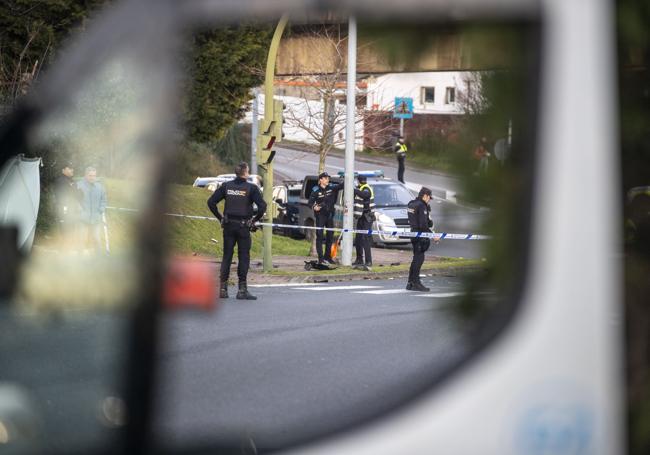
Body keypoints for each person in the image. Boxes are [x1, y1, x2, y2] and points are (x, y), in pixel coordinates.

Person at [208, 162, 266, 300]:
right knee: (243, 257)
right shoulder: (251, 188)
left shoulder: (227, 186)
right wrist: (254, 220)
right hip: (243, 227)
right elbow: (262, 206)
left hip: (228, 225)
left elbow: (211, 202)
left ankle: (223, 289)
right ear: (245, 173)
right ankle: (242, 290)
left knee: (227, 256)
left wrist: (220, 218)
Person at [308, 171, 343, 264]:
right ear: (321, 180)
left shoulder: (331, 187)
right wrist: (314, 207)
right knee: (319, 236)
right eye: (326, 178)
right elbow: (310, 203)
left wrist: (346, 178)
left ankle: (328, 257)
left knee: (330, 236)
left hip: (330, 216)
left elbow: (341, 186)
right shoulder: (316, 190)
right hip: (320, 216)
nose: (328, 180)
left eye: (328, 178)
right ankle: (321, 258)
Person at [406, 187, 436, 291]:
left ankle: (410, 282)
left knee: (416, 258)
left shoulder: (411, 203)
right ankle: (416, 283)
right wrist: (432, 235)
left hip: (413, 233)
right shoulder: (421, 205)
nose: (429, 200)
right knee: (419, 259)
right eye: (429, 198)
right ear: (425, 196)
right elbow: (423, 225)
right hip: (420, 235)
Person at [77, 166, 107, 254]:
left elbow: (104, 200)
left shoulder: (100, 187)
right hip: (83, 219)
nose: (92, 177)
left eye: (94, 175)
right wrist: (79, 210)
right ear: (86, 175)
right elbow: (74, 199)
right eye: (90, 175)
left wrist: (100, 210)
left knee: (97, 239)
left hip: (96, 218)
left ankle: (98, 258)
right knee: (82, 239)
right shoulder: (79, 185)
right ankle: (80, 258)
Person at [53, 161, 81, 251]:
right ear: (63, 170)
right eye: (69, 168)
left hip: (72, 211)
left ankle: (67, 252)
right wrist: (74, 191)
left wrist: (76, 191)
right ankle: (62, 253)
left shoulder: (72, 181)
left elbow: (79, 195)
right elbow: (65, 195)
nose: (72, 170)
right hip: (63, 210)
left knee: (71, 232)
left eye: (72, 168)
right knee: (64, 232)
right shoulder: (60, 181)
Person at [352, 175, 375, 270]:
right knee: (358, 239)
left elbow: (365, 195)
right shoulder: (360, 188)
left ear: (359, 181)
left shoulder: (366, 188)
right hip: (361, 217)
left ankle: (368, 261)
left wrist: (353, 189)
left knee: (365, 239)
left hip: (367, 217)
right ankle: (359, 259)